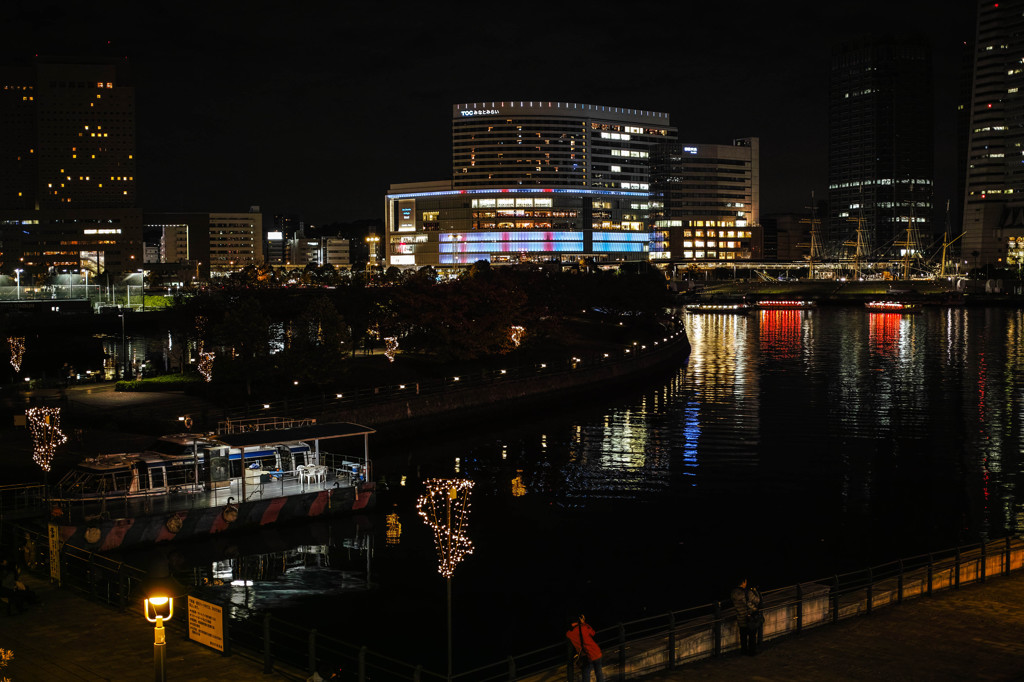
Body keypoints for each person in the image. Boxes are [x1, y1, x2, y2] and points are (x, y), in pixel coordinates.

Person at [566, 614, 605, 682]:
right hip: (595, 652)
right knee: (599, 674)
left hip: (585, 656)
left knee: (586, 676)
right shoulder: (583, 627)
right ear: (578, 620)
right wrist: (584, 623)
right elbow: (593, 633)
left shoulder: (568, 634)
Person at [731, 577, 762, 655]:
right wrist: (755, 591)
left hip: (740, 617)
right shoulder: (747, 592)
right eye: (745, 582)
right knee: (752, 636)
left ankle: (743, 651)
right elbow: (757, 600)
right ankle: (752, 652)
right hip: (750, 617)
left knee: (743, 636)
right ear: (743, 582)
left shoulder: (733, 593)